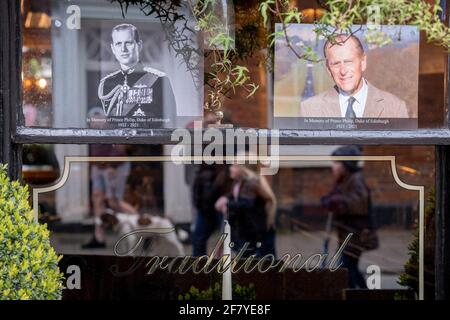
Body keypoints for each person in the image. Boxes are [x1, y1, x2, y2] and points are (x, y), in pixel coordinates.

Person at [300, 34, 409, 118]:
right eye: (336, 63)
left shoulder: (395, 107)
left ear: (363, 62)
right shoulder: (309, 109)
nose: (343, 71)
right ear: (328, 69)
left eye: (348, 62)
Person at [82, 108, 138, 249]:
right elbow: (93, 153)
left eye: (99, 118)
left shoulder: (112, 129)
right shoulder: (91, 132)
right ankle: (99, 238)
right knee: (97, 200)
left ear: (105, 119)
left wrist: (112, 166)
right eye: (93, 119)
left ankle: (144, 228)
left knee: (114, 202)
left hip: (115, 167)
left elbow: (120, 150)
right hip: (99, 168)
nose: (96, 121)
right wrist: (92, 169)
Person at [98, 24, 176, 125]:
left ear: (139, 45)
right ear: (113, 49)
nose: (123, 49)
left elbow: (170, 123)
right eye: (118, 44)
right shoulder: (106, 83)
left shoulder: (159, 80)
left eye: (128, 43)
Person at [321, 145, 371, 289]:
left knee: (347, 268)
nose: (333, 167)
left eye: (337, 163)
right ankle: (355, 292)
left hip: (355, 236)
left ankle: (361, 293)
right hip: (347, 236)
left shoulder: (356, 180)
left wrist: (340, 202)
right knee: (348, 269)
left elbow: (359, 204)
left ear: (346, 165)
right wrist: (329, 200)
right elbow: (332, 197)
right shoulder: (343, 181)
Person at [215, 161, 277, 258]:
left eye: (234, 166)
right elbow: (237, 199)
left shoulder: (250, 183)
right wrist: (227, 200)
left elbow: (246, 204)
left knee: (259, 264)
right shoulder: (240, 183)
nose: (230, 168)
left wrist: (227, 204)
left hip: (254, 235)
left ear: (243, 168)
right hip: (250, 234)